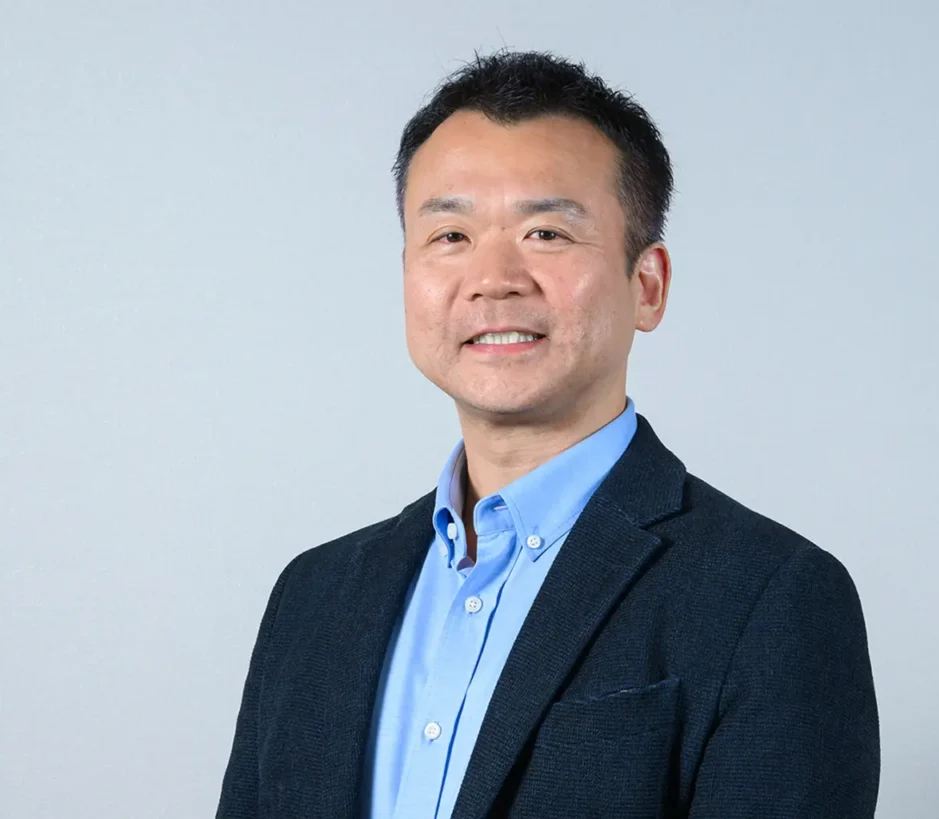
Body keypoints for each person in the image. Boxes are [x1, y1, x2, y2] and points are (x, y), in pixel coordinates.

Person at [215, 50, 880, 819]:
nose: (493, 277)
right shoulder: (314, 597)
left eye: (546, 233)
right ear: (408, 272)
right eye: (451, 236)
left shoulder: (771, 598)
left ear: (648, 285)